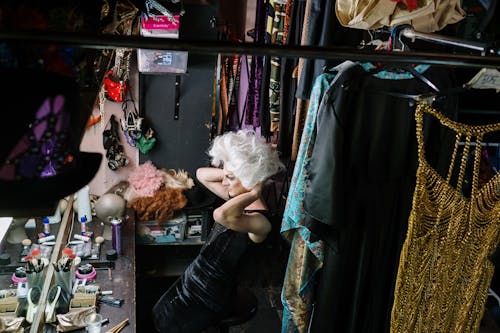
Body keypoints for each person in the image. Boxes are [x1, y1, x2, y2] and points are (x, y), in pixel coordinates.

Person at [152, 129, 285, 333]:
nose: (224, 182)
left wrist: (255, 190)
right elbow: (200, 174)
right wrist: (231, 171)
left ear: (249, 180)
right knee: (157, 314)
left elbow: (221, 216)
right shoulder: (235, 197)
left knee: (167, 326)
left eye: (230, 178)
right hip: (195, 278)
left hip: (212, 295)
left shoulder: (260, 221)